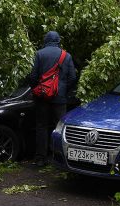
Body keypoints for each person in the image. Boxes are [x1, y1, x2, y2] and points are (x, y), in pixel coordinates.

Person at [29, 31, 76, 166]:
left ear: (46, 40)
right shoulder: (66, 56)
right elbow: (72, 78)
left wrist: (37, 90)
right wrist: (63, 91)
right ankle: (59, 157)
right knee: (60, 128)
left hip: (42, 97)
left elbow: (33, 77)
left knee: (41, 126)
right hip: (59, 98)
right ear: (58, 41)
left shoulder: (39, 54)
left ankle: (40, 158)